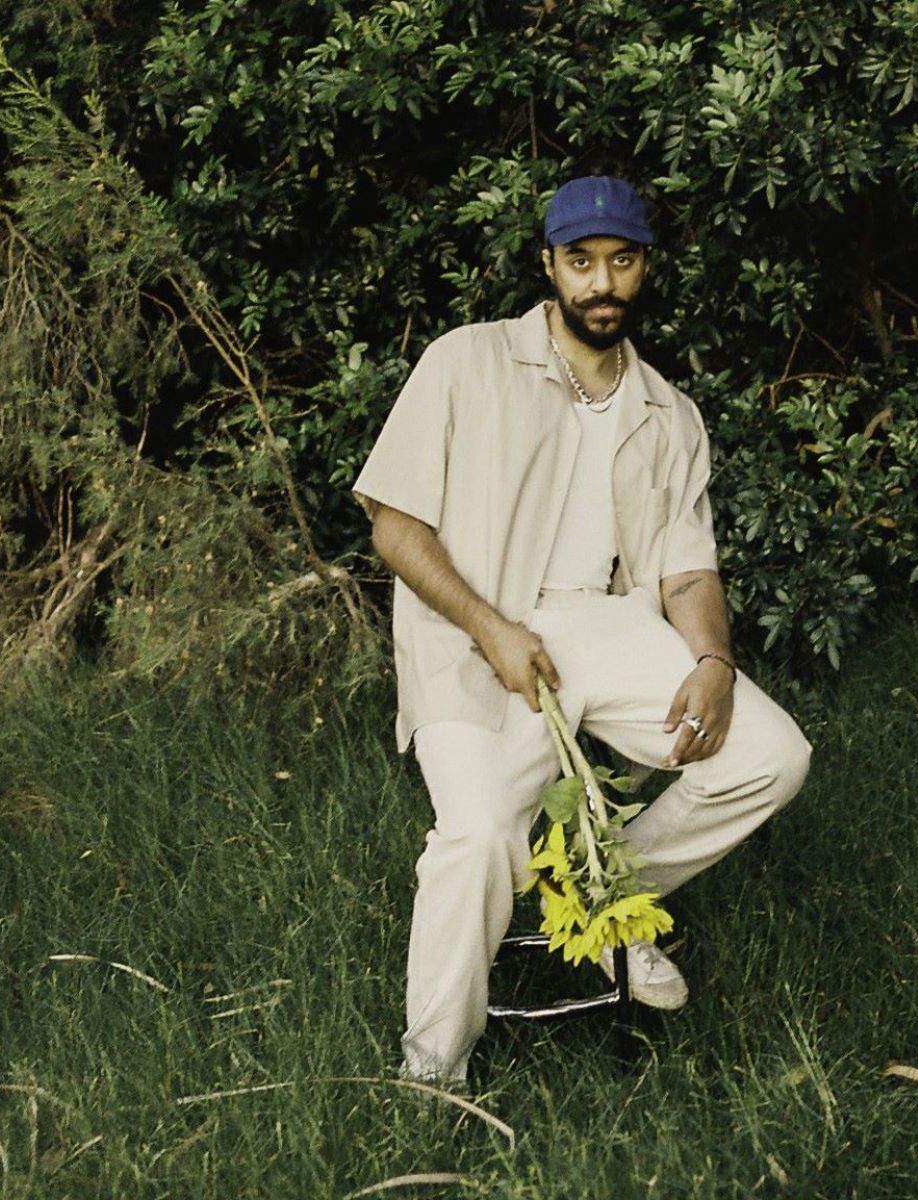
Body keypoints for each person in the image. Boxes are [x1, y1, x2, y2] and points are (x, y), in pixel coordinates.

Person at [352, 176, 812, 1087]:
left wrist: (714, 660)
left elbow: (687, 568)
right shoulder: (467, 360)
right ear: (550, 265)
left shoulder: (667, 412)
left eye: (622, 261)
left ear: (644, 268)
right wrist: (493, 630)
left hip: (606, 627)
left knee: (770, 754)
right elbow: (393, 525)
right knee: (479, 836)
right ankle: (430, 1070)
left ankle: (603, 889)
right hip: (474, 635)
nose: (602, 282)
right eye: (582, 261)